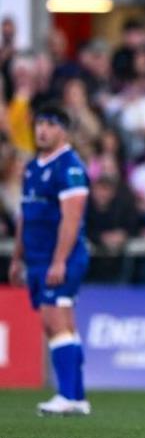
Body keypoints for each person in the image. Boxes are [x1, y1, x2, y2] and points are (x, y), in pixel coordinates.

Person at [8, 104, 91, 415]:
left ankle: (67, 396)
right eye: (39, 123)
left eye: (50, 124)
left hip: (61, 257)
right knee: (64, 321)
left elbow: (72, 218)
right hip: (37, 257)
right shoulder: (32, 166)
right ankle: (78, 396)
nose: (42, 130)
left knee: (53, 320)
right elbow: (25, 214)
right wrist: (18, 257)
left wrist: (60, 260)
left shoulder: (68, 166)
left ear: (63, 130)